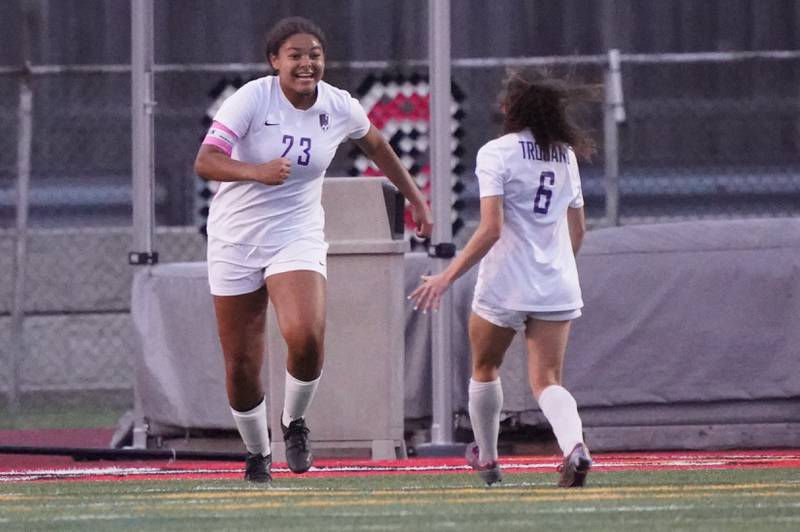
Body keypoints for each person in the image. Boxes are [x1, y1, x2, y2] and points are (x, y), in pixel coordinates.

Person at [194, 16, 433, 484]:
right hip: (235, 239)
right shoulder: (251, 99)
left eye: (315, 55)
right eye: (296, 56)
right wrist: (256, 171)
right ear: (274, 62)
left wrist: (416, 198)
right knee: (242, 365)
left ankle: (293, 423)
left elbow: (379, 145)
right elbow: (206, 161)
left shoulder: (338, 105)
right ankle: (258, 453)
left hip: (295, 232)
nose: (307, 63)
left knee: (304, 334)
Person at [410, 70, 596, 488]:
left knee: (484, 367)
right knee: (546, 380)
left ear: (510, 109)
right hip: (556, 282)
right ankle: (574, 447)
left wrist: (447, 276)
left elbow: (490, 228)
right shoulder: (564, 155)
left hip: (505, 282)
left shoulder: (496, 153)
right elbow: (578, 229)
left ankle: (490, 462)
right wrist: (557, 268)